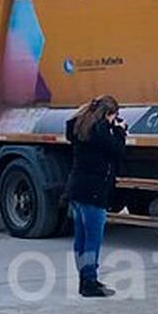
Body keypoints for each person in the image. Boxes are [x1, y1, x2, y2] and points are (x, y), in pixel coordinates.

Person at [64, 95, 128, 298]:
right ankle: (89, 282)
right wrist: (120, 130)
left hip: (77, 189)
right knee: (93, 239)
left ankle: (85, 278)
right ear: (108, 114)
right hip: (94, 192)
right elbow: (117, 151)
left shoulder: (81, 127)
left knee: (81, 237)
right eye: (113, 116)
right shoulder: (100, 131)